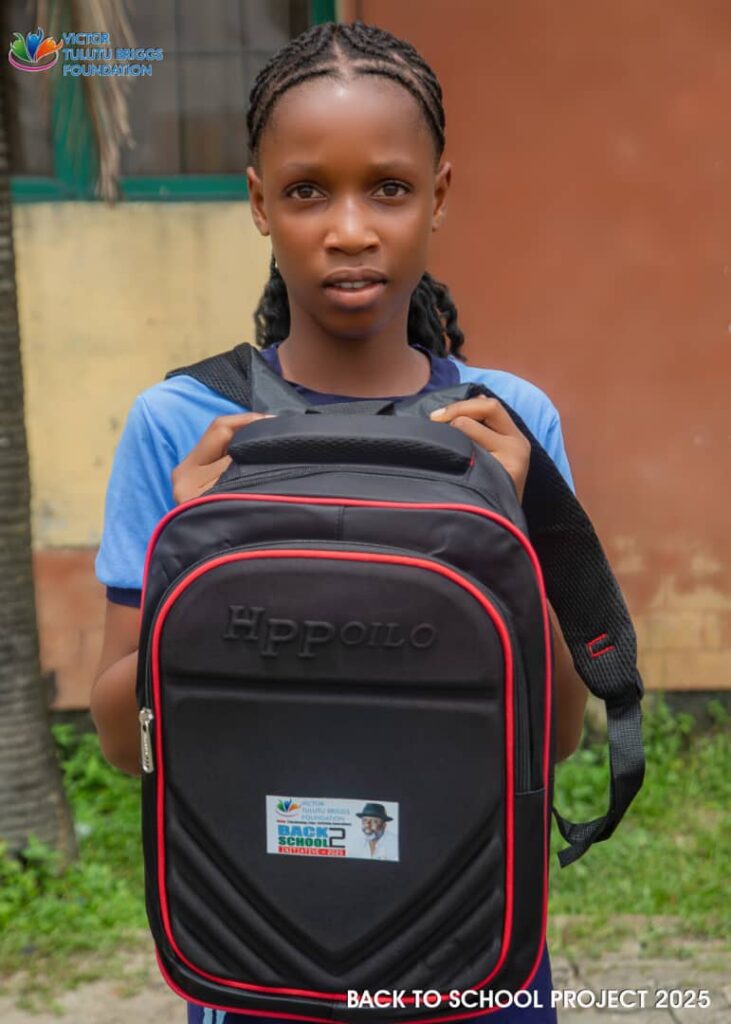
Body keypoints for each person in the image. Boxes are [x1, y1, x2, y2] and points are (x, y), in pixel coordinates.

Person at [91, 19, 589, 1024]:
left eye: (388, 189)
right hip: (256, 954)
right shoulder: (181, 423)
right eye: (308, 191)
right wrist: (195, 546)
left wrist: (516, 521)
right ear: (258, 203)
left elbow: (561, 733)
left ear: (438, 195)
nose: (350, 229)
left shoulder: (506, 420)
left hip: (468, 953)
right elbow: (115, 737)